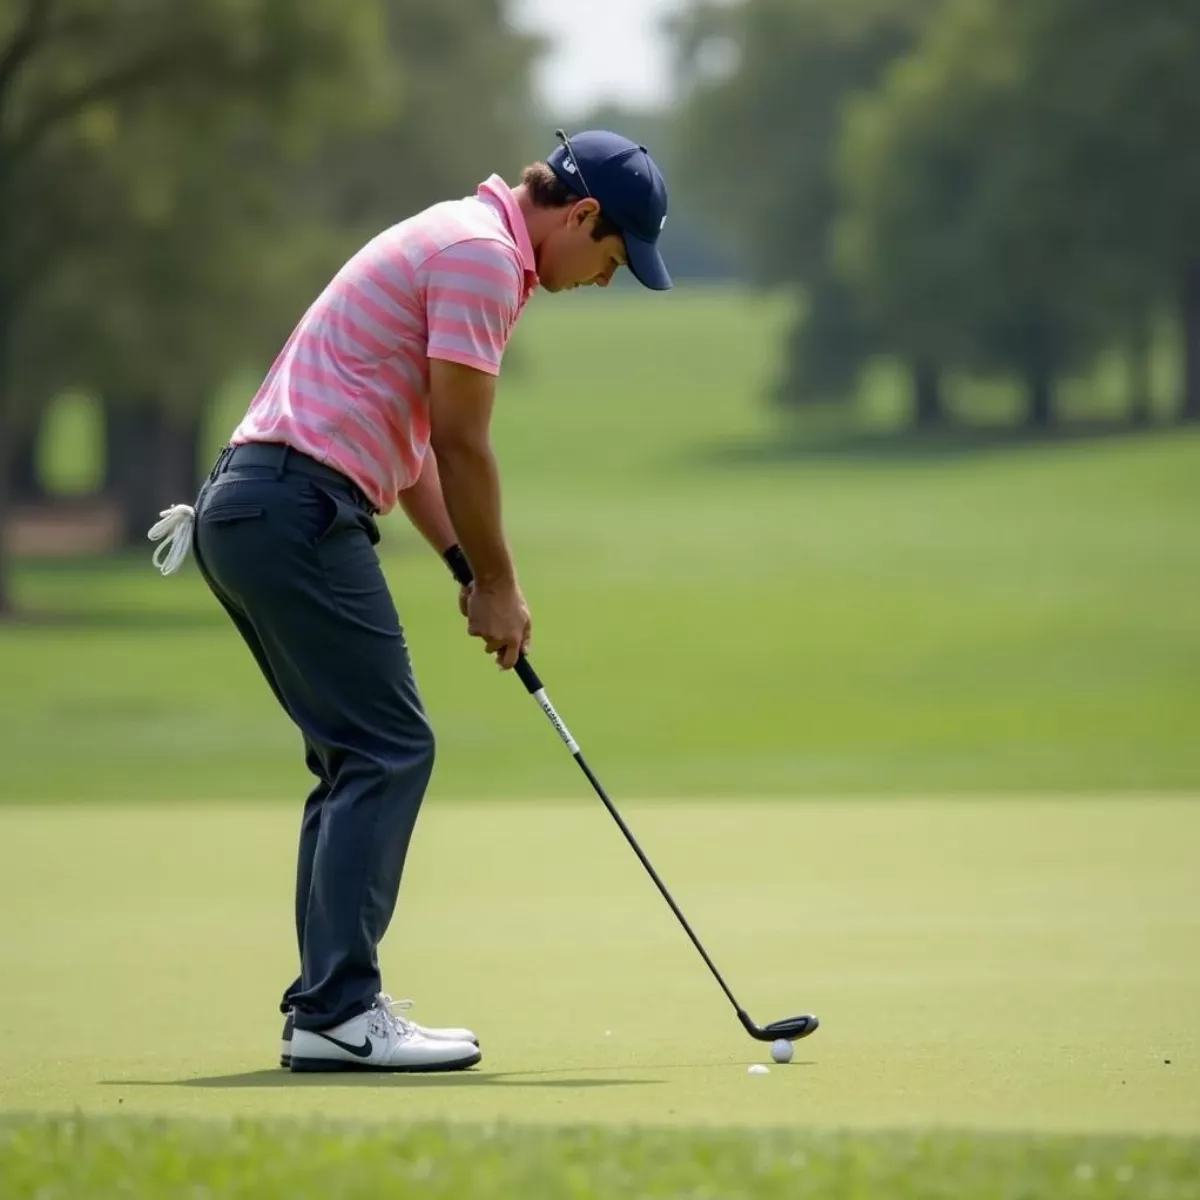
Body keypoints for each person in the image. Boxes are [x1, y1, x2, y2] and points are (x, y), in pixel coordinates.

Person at [147, 129, 672, 1073]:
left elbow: (422, 443)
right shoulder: (479, 257)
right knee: (391, 748)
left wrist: (467, 570)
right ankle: (341, 1012)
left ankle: (327, 1007)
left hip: (258, 508)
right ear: (583, 215)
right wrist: (505, 587)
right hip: (297, 505)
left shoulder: (466, 240)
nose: (606, 280)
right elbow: (467, 443)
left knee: (356, 756)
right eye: (614, 259)